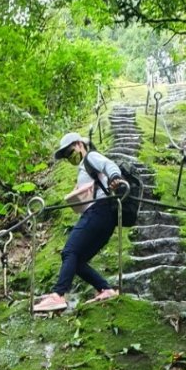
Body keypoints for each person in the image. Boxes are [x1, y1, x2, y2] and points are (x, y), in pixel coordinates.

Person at [33, 133, 127, 313]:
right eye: (66, 156)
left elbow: (109, 165)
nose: (69, 157)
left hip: (99, 211)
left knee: (69, 251)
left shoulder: (91, 156)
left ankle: (58, 295)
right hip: (104, 217)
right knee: (78, 261)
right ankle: (106, 289)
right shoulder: (83, 168)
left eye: (70, 152)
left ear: (79, 144)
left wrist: (115, 177)